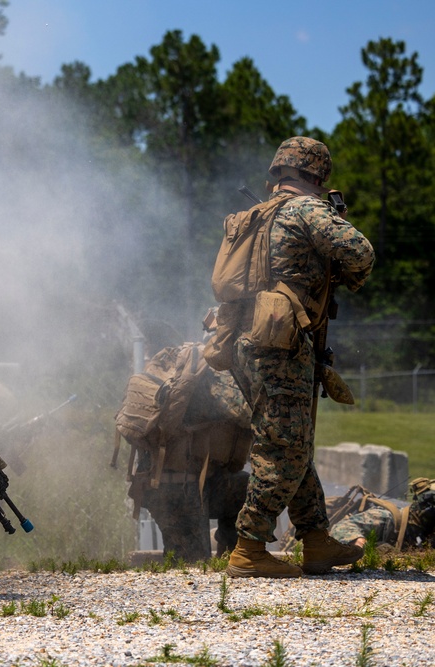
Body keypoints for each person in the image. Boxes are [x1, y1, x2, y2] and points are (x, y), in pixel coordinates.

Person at [224, 137, 376, 578]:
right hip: (282, 342)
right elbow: (361, 254)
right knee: (285, 448)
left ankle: (316, 540)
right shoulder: (308, 210)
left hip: (245, 340)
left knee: (292, 440)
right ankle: (249, 546)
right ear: (316, 176)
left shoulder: (255, 215)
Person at [124, 318, 253, 563]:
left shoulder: (201, 366)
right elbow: (247, 413)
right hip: (175, 486)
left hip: (194, 481)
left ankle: (231, 563)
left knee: (246, 489)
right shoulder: (214, 372)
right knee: (190, 568)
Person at [330, 479, 435, 551]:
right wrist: (366, 547)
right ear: (427, 508)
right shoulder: (386, 518)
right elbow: (341, 528)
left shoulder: (424, 531)